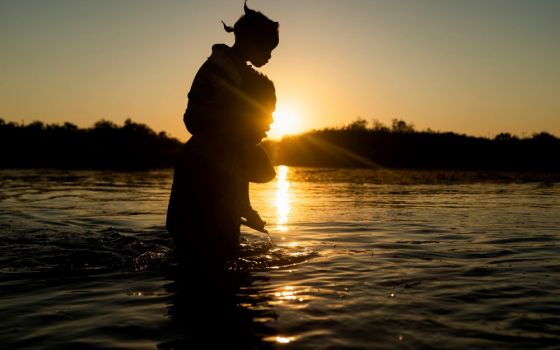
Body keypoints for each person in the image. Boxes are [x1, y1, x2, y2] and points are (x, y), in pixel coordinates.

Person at [166, 2, 279, 267]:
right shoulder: (222, 68)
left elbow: (242, 174)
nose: (270, 57)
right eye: (268, 49)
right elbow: (194, 117)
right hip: (201, 169)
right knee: (211, 251)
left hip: (206, 161)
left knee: (208, 251)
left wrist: (246, 208)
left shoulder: (240, 74)